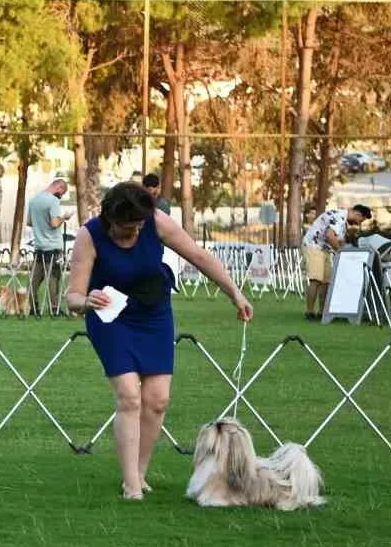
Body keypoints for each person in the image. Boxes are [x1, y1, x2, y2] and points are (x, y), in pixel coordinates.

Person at [65, 182, 252, 501]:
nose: (136, 232)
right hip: (111, 318)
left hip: (154, 315)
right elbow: (72, 296)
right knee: (128, 396)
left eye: (140, 226)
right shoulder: (89, 235)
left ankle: (140, 471)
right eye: (129, 227)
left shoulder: (157, 222)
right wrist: (86, 301)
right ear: (111, 219)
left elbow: (199, 256)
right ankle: (131, 485)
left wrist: (234, 293)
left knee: (157, 399)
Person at [301, 203, 372, 320]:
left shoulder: (342, 222)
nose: (358, 224)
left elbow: (339, 240)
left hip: (325, 250)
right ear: (357, 214)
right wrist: (341, 252)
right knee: (316, 280)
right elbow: (330, 236)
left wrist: (347, 251)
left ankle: (322, 312)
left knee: (326, 282)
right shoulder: (339, 218)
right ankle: (309, 312)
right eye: (360, 220)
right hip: (313, 246)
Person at [26, 176, 72, 316]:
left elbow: (29, 222)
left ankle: (32, 307)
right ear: (59, 188)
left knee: (34, 279)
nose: (61, 196)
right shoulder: (53, 201)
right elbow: (54, 223)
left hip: (39, 246)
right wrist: (64, 217)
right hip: (52, 247)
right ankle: (55, 309)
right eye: (62, 193)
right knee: (54, 278)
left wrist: (41, 225)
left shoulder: (33, 200)